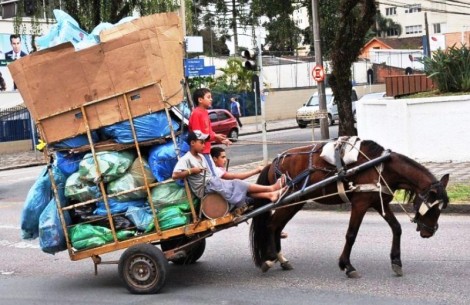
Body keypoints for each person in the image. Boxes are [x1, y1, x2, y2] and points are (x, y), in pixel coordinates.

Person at [172, 130, 286, 209]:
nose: (204, 145)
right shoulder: (186, 158)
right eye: (201, 142)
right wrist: (192, 171)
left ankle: (270, 195)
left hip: (212, 183)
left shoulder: (201, 156)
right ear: (192, 143)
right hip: (205, 187)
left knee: (240, 190)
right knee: (237, 183)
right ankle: (271, 188)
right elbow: (175, 175)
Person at [210, 146, 289, 239]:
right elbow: (236, 177)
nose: (225, 160)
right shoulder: (216, 170)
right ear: (214, 159)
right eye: (222, 157)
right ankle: (271, 190)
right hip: (225, 200)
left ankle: (273, 226)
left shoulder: (219, 169)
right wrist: (256, 170)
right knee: (240, 185)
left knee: (259, 201)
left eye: (225, 157)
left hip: (230, 195)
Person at [189, 88, 231, 174]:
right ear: (200, 100)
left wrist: (221, 139)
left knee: (213, 176)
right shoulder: (196, 113)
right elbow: (197, 135)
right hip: (201, 152)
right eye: (208, 97)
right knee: (212, 177)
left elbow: (209, 133)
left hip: (206, 150)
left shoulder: (205, 113)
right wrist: (215, 136)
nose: (211, 99)